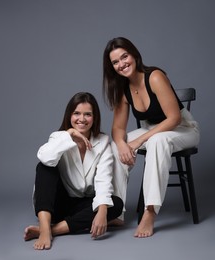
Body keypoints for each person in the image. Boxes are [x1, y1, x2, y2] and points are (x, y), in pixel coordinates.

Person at [102, 37, 200, 238]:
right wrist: (122, 144)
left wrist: (138, 141)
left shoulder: (154, 76)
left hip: (183, 129)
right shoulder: (123, 89)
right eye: (115, 62)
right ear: (112, 67)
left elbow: (174, 118)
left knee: (156, 140)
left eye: (124, 57)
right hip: (155, 131)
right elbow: (118, 128)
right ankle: (116, 210)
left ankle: (150, 211)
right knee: (115, 147)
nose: (122, 64)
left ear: (134, 55)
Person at [24, 92, 123, 250]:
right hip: (56, 205)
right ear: (69, 115)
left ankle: (52, 230)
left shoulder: (103, 141)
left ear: (94, 117)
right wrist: (69, 134)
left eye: (87, 114)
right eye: (76, 113)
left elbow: (104, 179)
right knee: (44, 167)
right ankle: (44, 228)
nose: (82, 119)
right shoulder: (59, 137)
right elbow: (45, 157)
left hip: (82, 204)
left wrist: (103, 211)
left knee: (115, 204)